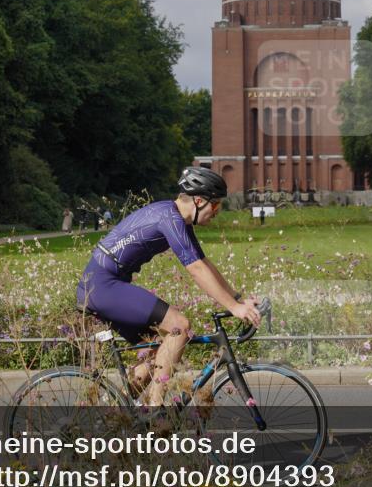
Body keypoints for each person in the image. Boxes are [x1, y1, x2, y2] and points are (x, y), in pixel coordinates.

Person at [76, 167, 261, 406]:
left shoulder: (176, 218)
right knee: (179, 327)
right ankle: (155, 411)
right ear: (198, 201)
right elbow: (195, 270)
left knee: (156, 352)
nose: (216, 213)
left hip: (102, 285)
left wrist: (237, 299)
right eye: (215, 206)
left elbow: (204, 264)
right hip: (102, 286)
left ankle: (117, 413)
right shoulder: (170, 219)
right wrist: (234, 308)